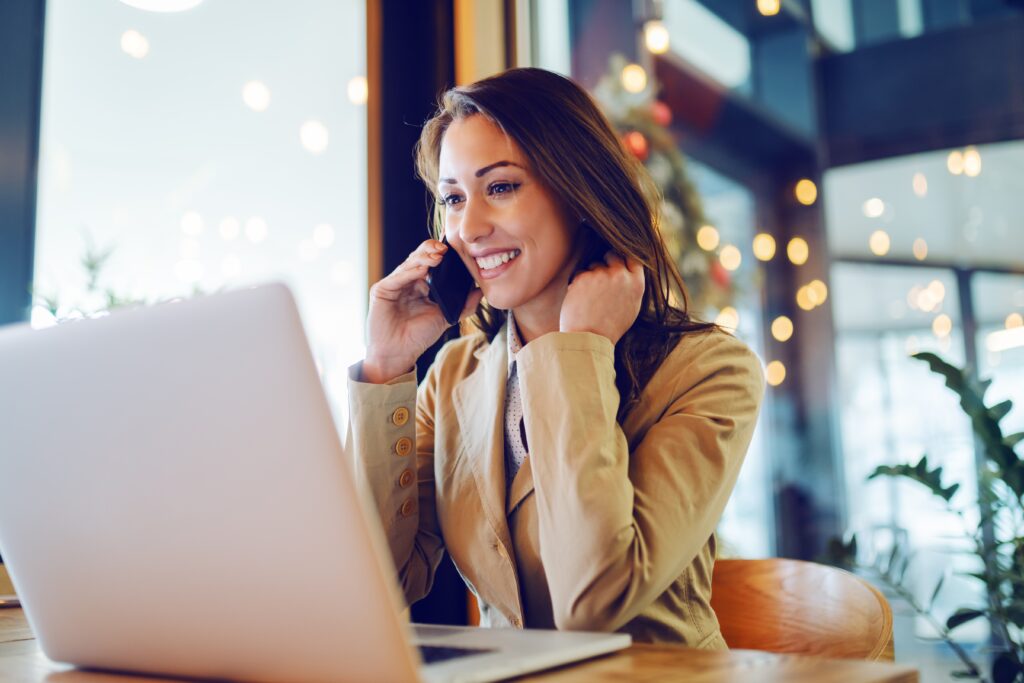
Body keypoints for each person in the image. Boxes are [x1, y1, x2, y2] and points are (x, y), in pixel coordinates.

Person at [346, 67, 764, 647]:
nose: (468, 227)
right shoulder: (453, 377)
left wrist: (579, 351)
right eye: (453, 198)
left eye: (500, 187)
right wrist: (384, 368)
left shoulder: (709, 371)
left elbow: (593, 602)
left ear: (579, 191)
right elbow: (371, 583)